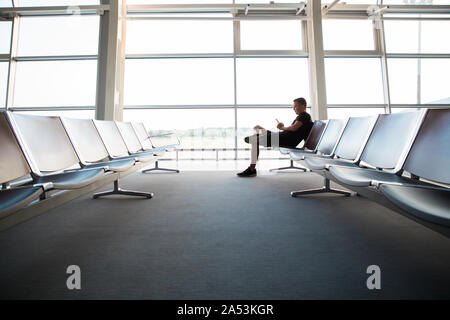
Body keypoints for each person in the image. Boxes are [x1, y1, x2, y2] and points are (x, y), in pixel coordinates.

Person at [237, 97, 313, 177]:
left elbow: (294, 128)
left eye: (296, 106)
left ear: (303, 106)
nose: (294, 109)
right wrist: (282, 128)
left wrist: (282, 127)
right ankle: (259, 139)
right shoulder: (303, 117)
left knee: (254, 139)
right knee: (258, 128)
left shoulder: (304, 115)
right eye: (293, 106)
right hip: (282, 137)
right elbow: (292, 129)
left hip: (286, 140)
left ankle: (251, 169)